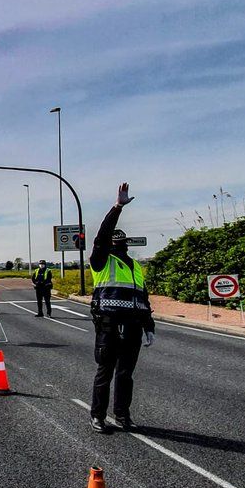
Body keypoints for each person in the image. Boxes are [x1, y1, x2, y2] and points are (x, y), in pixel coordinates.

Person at [88, 182, 154, 433]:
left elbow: (143, 299)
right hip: (108, 324)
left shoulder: (135, 266)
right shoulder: (102, 261)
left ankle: (122, 415)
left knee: (125, 374)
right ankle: (97, 416)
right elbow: (102, 237)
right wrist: (117, 207)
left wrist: (149, 326)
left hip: (133, 326)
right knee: (105, 372)